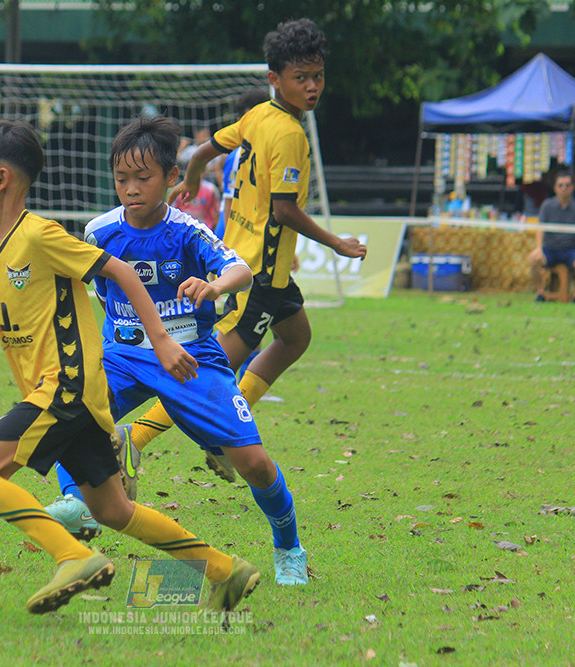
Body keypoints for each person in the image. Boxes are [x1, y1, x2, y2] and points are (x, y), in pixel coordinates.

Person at [0, 119, 260, 615]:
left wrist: (163, 341)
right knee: (112, 509)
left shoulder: (40, 235)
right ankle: (225, 570)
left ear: (1, 180)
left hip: (68, 387)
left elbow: (120, 270)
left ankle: (73, 556)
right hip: (62, 395)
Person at [43, 115, 308, 585]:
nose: (131, 189)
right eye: (121, 179)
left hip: (190, 359)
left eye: (143, 178)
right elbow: (94, 293)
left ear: (170, 178)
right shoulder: (99, 231)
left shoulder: (186, 230)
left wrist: (213, 285)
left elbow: (240, 269)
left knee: (253, 464)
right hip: (122, 355)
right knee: (69, 409)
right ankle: (76, 502)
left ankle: (288, 544)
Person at [125, 18, 367, 480]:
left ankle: (219, 441)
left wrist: (193, 179)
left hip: (254, 261)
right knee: (209, 367)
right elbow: (284, 212)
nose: (313, 86)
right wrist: (336, 242)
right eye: (302, 78)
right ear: (274, 79)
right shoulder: (290, 135)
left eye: (318, 76)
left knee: (296, 338)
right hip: (259, 272)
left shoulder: (260, 116)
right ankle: (135, 437)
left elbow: (201, 152)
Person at [528, 169, 575, 303]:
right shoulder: (547, 205)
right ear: (555, 188)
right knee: (533, 259)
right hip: (550, 250)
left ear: (572, 188)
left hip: (570, 251)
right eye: (560, 185)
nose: (564, 188)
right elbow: (540, 229)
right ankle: (540, 292)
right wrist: (539, 248)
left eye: (567, 185)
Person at [218, 87, 271, 241]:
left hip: (257, 234)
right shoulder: (238, 157)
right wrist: (228, 249)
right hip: (234, 236)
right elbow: (229, 203)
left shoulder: (272, 152)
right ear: (239, 124)